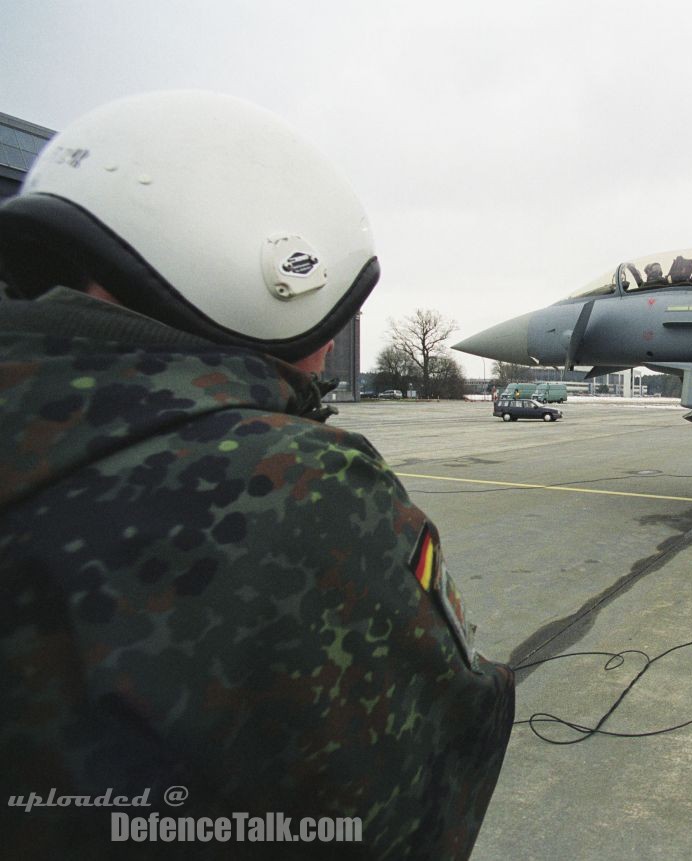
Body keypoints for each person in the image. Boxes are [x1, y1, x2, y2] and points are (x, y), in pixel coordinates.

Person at [0, 91, 514, 857]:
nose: (321, 354)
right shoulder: (298, 489)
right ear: (266, 271)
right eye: (329, 314)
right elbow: (422, 791)